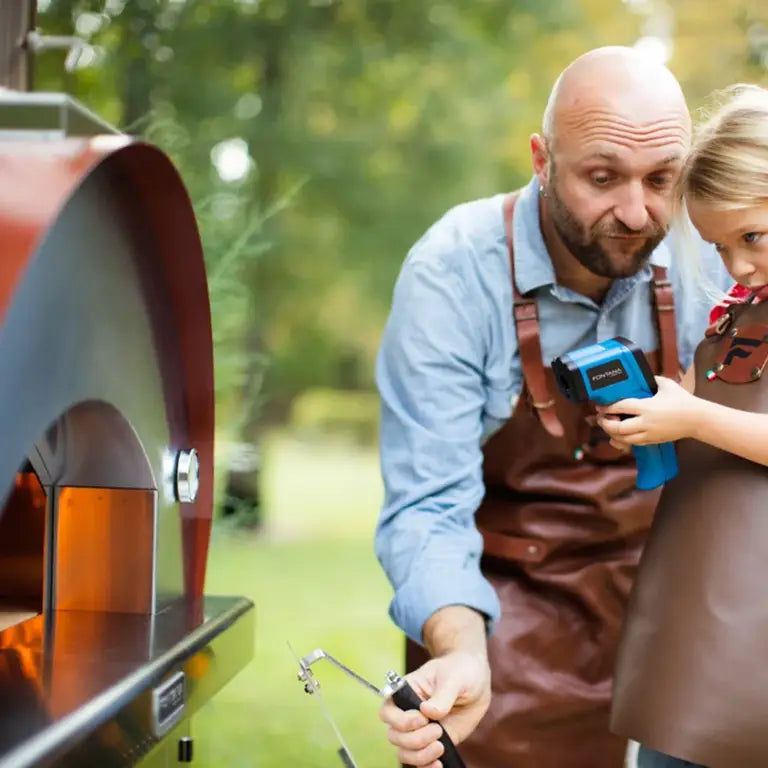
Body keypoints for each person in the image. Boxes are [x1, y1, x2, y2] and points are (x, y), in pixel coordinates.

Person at [373, 46, 732, 768]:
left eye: (662, 179)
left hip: (683, 594)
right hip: (509, 606)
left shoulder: (717, 248)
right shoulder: (451, 273)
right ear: (542, 160)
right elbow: (429, 505)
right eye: (602, 177)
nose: (637, 212)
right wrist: (460, 649)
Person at [602, 84, 768, 768]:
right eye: (719, 247)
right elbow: (710, 411)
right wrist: (660, 415)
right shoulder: (739, 311)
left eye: (753, 237)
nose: (738, 266)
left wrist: (694, 414)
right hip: (702, 602)